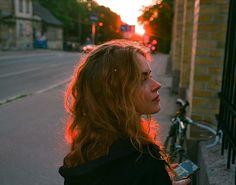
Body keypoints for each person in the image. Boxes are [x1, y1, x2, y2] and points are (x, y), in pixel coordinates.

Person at [59, 39, 191, 185]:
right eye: (142, 79)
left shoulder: (83, 152)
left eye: (150, 76)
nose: (157, 85)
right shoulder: (143, 160)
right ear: (115, 93)